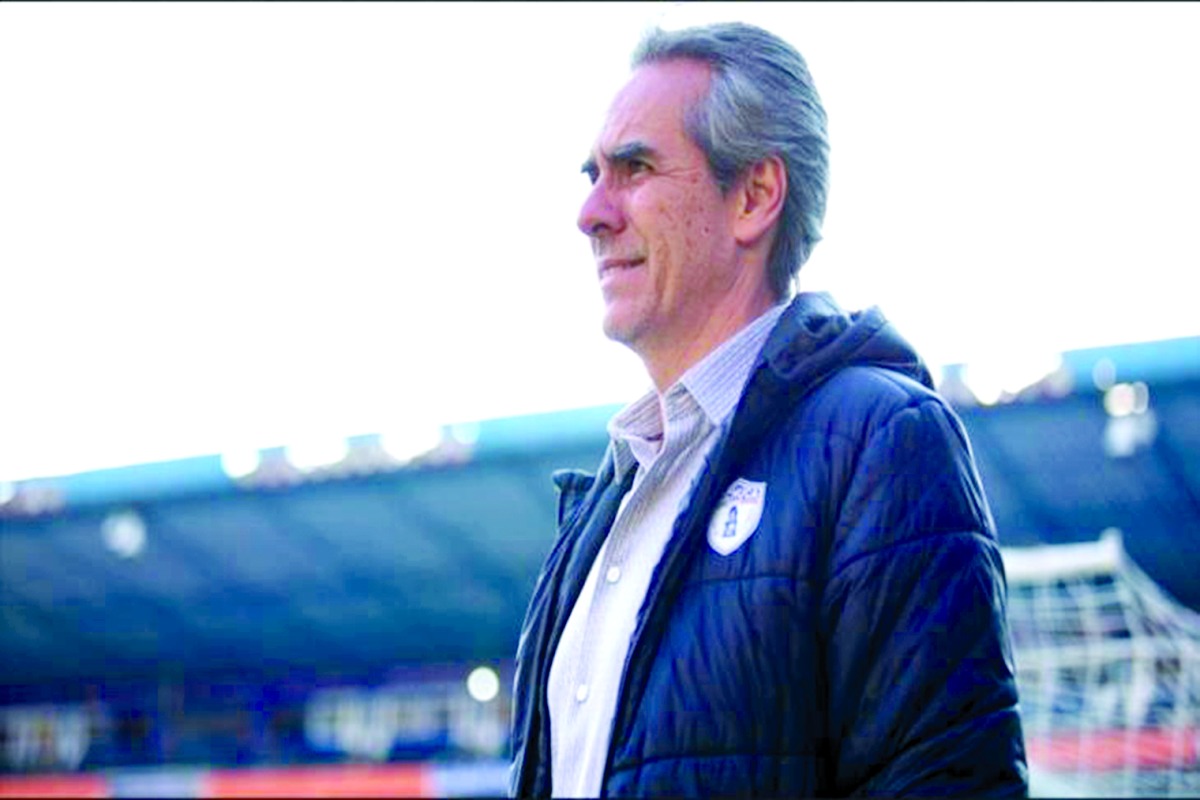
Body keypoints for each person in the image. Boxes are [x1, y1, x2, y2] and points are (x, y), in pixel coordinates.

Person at [509, 21, 1027, 798]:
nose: (590, 213)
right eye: (592, 175)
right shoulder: (602, 506)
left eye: (635, 168)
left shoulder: (880, 442)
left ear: (753, 197)